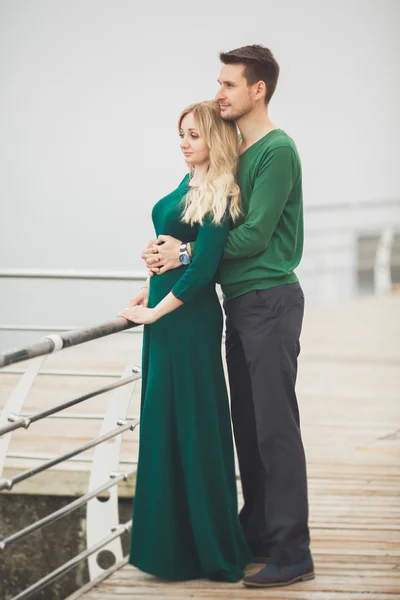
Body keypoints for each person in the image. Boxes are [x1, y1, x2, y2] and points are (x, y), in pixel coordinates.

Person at [141, 45, 314, 589]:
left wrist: (186, 254)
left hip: (269, 299)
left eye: (228, 85)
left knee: (275, 431)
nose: (219, 94)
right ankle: (259, 533)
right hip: (239, 303)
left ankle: (292, 551)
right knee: (249, 426)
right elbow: (208, 210)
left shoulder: (276, 150)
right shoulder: (236, 149)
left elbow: (256, 233)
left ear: (257, 89)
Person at [118, 100, 252, 582]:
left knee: (191, 426)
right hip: (164, 317)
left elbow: (202, 271)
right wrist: (147, 281)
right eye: (181, 134)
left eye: (193, 135)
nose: (184, 142)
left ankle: (206, 550)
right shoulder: (188, 182)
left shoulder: (219, 189)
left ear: (213, 138)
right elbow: (173, 253)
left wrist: (154, 309)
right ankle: (168, 550)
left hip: (186, 322)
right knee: (163, 424)